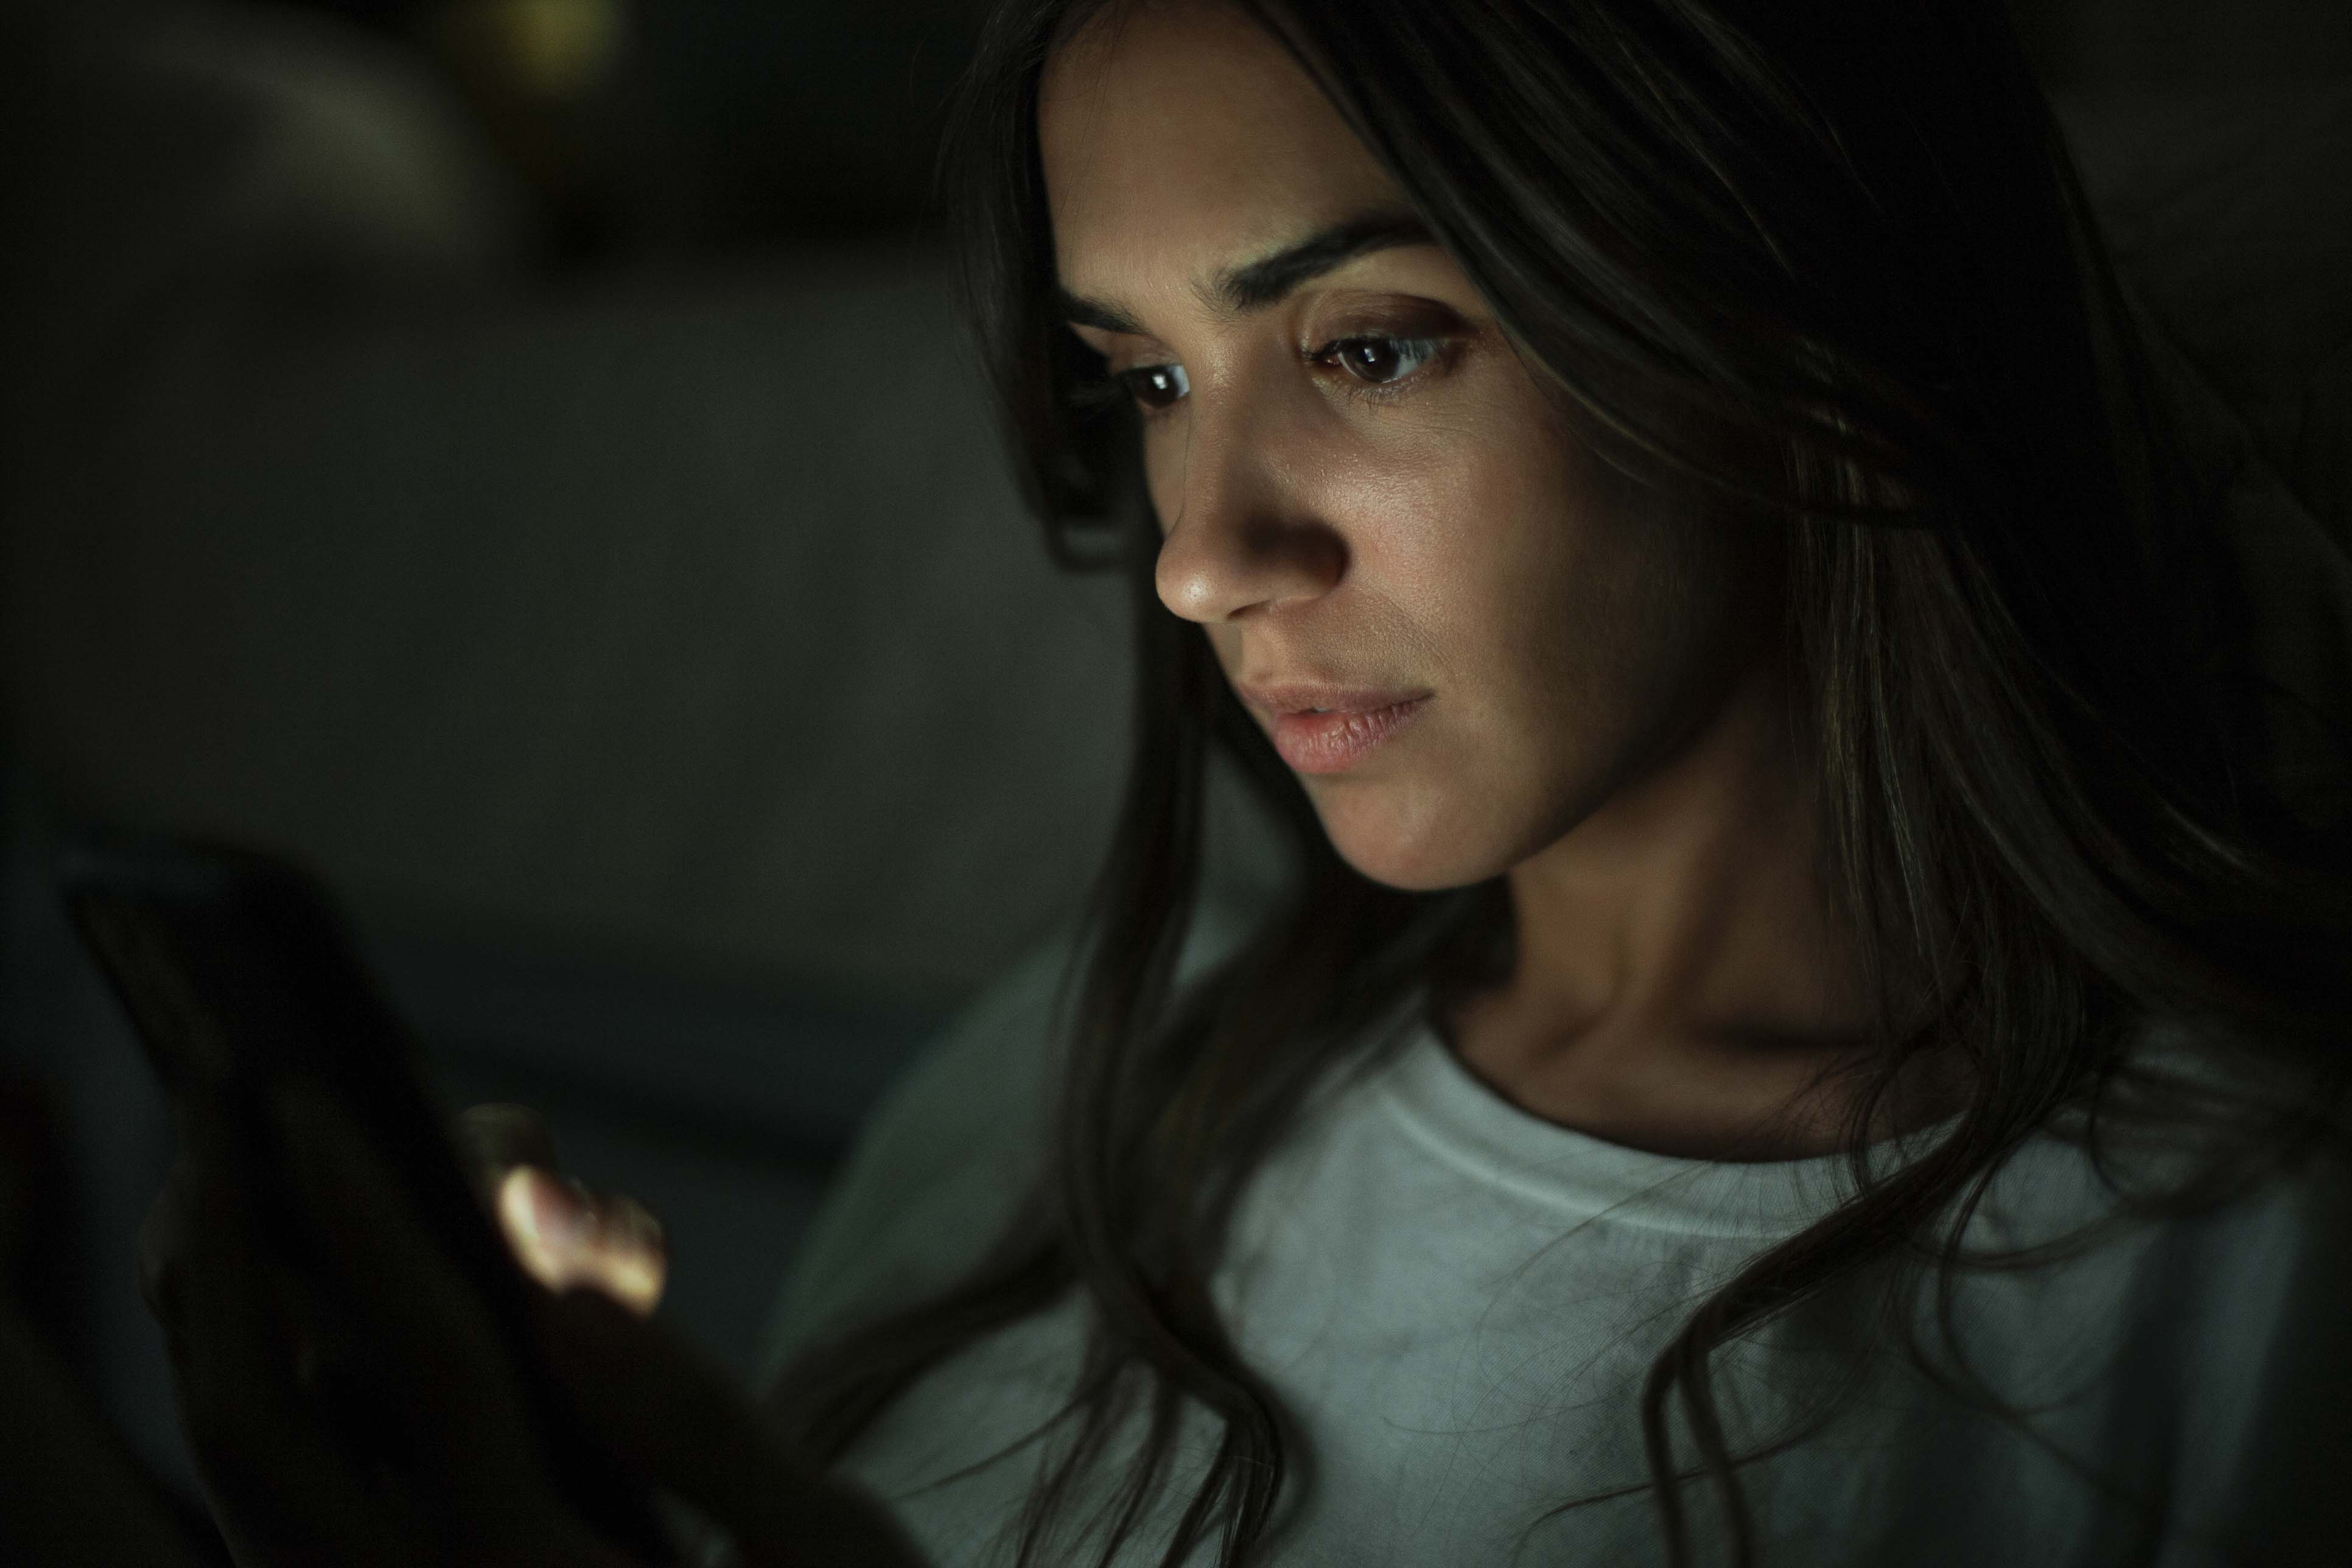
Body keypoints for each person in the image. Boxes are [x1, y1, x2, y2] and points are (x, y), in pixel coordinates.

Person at [140, 2, 2352, 1566]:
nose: (1204, 553)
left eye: (1369, 347)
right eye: (1155, 377)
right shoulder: (1109, 1057)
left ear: (1785, 302)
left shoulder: (2213, 1265)